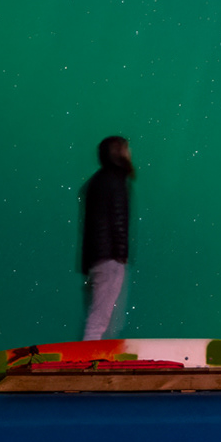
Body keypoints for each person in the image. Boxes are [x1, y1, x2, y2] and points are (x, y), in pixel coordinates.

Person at [80, 135, 135, 340]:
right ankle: (89, 364)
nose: (130, 154)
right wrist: (121, 255)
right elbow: (118, 219)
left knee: (106, 318)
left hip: (97, 258)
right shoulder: (115, 180)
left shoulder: (97, 181)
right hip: (110, 258)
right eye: (127, 149)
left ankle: (98, 360)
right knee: (101, 319)